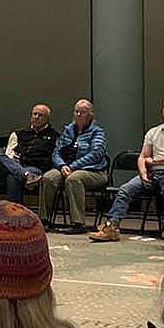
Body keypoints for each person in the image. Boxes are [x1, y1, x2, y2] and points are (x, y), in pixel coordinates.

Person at [90, 95, 164, 243]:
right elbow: (142, 157)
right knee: (126, 189)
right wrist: (144, 173)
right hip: (153, 172)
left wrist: (154, 161)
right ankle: (111, 226)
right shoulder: (153, 132)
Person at [39, 99, 109, 231]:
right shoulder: (68, 130)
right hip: (65, 167)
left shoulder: (97, 132)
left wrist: (73, 166)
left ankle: (78, 223)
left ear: (90, 115)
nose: (78, 115)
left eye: (82, 112)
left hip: (94, 171)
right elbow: (56, 152)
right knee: (48, 178)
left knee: (73, 179)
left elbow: (96, 154)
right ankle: (44, 220)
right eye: (76, 111)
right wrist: (62, 165)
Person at [0, 103, 57, 206]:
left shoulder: (54, 136)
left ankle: (14, 212)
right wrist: (14, 159)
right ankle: (26, 175)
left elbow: (54, 157)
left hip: (36, 169)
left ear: (47, 119)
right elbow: (9, 155)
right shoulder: (19, 134)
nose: (36, 117)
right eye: (34, 114)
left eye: (40, 115)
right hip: (18, 166)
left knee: (13, 176)